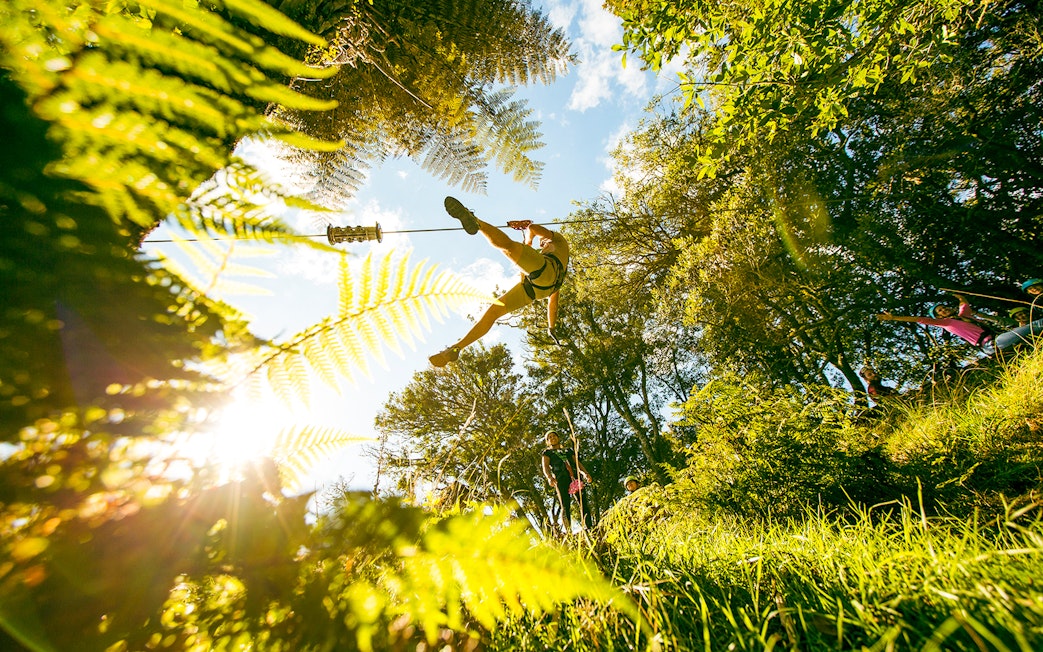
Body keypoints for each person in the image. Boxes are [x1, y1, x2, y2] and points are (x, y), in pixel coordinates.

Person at [430, 196, 569, 367]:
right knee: (493, 312)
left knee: (509, 247)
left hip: (542, 276)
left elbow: (533, 227)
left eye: (544, 242)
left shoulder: (559, 241)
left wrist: (530, 236)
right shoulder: (557, 263)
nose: (543, 244)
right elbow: (552, 304)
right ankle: (455, 348)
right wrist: (551, 328)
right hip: (537, 289)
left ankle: (475, 221)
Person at [876, 298, 994, 351]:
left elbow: (963, 303)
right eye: (940, 311)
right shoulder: (946, 323)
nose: (944, 310)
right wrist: (895, 317)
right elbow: (919, 319)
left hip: (994, 337)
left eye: (943, 307)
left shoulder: (962, 316)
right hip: (988, 344)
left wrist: (958, 296)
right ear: (938, 317)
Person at [541, 430, 593, 533]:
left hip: (574, 478)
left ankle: (589, 527)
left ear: (558, 437)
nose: (552, 438)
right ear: (547, 442)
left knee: (582, 501)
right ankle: (569, 532)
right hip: (561, 479)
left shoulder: (568, 451)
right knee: (565, 505)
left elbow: (577, 463)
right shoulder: (547, 453)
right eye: (549, 437)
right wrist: (549, 477)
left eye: (554, 436)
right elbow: (545, 467)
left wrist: (585, 473)